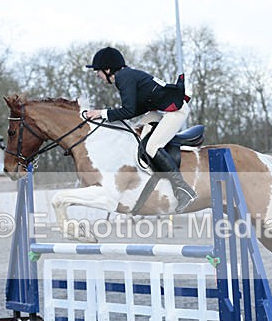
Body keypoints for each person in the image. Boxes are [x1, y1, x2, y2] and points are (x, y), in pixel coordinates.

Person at [84, 47, 197, 213]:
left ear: (108, 70)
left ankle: (183, 190)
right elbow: (136, 109)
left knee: (151, 147)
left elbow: (128, 111)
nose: (97, 75)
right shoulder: (126, 75)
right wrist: (105, 116)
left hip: (175, 111)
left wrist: (101, 113)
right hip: (158, 111)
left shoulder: (123, 78)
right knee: (135, 135)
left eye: (98, 71)